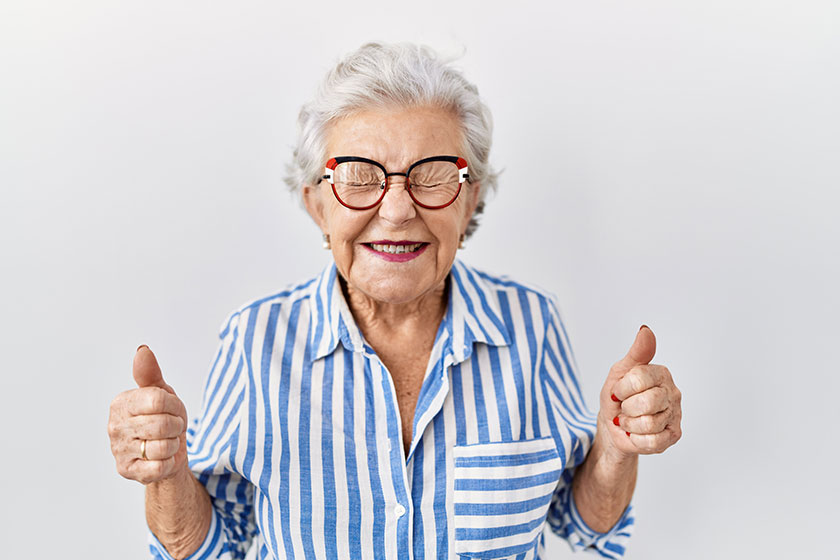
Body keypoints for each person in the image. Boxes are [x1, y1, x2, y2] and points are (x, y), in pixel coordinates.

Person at [107, 42, 682, 560]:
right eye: (360, 176)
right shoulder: (256, 337)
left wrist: (613, 448)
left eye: (432, 175)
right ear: (316, 204)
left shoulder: (531, 324)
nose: (399, 209)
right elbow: (205, 547)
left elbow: (583, 525)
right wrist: (167, 473)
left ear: (470, 198)